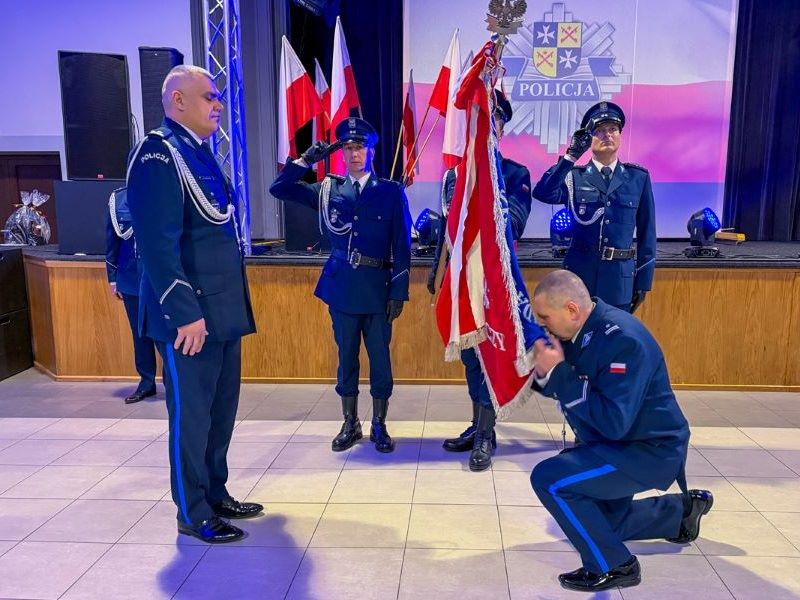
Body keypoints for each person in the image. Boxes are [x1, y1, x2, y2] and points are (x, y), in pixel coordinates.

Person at [127, 65, 261, 544]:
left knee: (220, 413)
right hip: (190, 317)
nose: (218, 104)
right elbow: (157, 243)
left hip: (220, 311)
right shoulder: (158, 154)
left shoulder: (198, 153)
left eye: (218, 96)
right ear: (178, 100)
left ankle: (215, 493)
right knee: (192, 417)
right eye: (209, 96)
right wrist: (184, 313)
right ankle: (193, 510)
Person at [529, 269, 713, 592]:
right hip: (621, 445)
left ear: (572, 310)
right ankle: (679, 514)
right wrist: (545, 371)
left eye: (545, 318)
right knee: (603, 524)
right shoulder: (583, 330)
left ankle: (614, 565)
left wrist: (558, 373)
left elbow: (614, 422)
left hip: (648, 451)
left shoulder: (622, 340)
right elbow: (565, 381)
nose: (542, 326)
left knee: (550, 479)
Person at [270, 117, 412, 454]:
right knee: (346, 357)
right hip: (343, 287)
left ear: (371, 150)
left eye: (359, 147)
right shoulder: (328, 190)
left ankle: (379, 424)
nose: (354, 154)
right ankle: (350, 423)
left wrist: (399, 291)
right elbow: (279, 189)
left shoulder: (390, 192)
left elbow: (402, 245)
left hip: (378, 288)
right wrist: (306, 161)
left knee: (380, 360)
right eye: (347, 148)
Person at [427, 89, 532, 471]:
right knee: (472, 359)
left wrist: (486, 194)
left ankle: (487, 434)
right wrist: (437, 273)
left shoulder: (515, 174)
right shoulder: (456, 175)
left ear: (500, 127)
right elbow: (449, 231)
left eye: (493, 119)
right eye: (480, 119)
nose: (487, 126)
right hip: (463, 282)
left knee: (491, 355)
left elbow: (515, 222)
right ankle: (478, 425)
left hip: (494, 286)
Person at [532, 102, 656, 312]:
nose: (607, 135)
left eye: (612, 129)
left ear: (620, 134)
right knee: (577, 332)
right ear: (589, 138)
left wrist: (643, 282)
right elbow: (543, 193)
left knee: (615, 333)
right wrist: (570, 157)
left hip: (619, 281)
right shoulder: (574, 176)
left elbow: (647, 233)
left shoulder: (638, 178)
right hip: (579, 278)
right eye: (599, 131)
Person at [105, 195, 157, 404]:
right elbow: (112, 241)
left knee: (168, 333)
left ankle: (174, 382)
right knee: (139, 333)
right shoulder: (118, 199)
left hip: (162, 278)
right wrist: (113, 278)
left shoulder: (165, 189)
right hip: (131, 277)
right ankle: (146, 382)